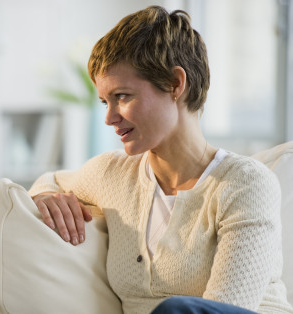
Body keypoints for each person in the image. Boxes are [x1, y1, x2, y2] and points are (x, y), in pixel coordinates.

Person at [29, 6, 293, 314]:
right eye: (105, 101)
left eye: (122, 97)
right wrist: (45, 195)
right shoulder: (111, 174)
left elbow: (225, 309)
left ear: (175, 84)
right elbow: (49, 181)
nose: (109, 118)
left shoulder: (246, 183)